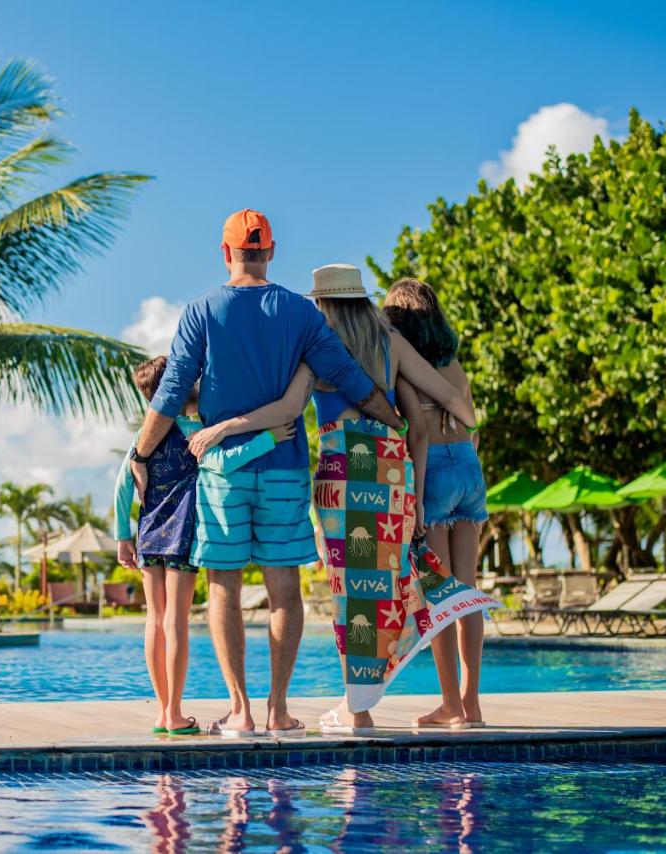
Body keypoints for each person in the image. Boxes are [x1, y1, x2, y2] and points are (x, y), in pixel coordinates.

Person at [129, 209, 403, 737]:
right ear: (271, 251)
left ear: (225, 252)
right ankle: (278, 707)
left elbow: (170, 392)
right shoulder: (302, 314)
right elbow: (347, 376)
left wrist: (141, 455)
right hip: (283, 469)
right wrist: (392, 421)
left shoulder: (201, 310)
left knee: (224, 586)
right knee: (284, 589)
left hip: (223, 474)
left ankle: (241, 711)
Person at [305, 263, 493, 734]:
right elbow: (463, 411)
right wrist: (459, 424)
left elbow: (410, 429)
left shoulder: (330, 346)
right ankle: (468, 702)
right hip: (433, 470)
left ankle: (408, 704)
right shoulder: (418, 353)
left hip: (380, 474)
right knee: (456, 594)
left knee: (408, 594)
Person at [114, 355, 294, 735]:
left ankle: (163, 712)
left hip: (148, 533)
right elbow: (225, 463)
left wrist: (121, 536)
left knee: (155, 620)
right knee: (175, 619)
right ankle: (176, 713)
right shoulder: (194, 432)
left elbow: (122, 486)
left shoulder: (142, 439)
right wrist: (269, 438)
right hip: (183, 533)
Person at [383, 277, 488, 729]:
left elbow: (418, 437)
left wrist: (419, 501)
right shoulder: (456, 365)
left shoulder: (409, 368)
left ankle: (449, 704)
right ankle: (472, 703)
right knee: (469, 591)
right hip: (468, 464)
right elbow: (473, 427)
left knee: (441, 599)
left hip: (435, 474)